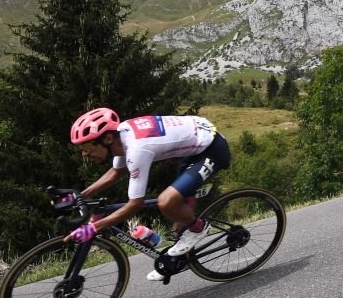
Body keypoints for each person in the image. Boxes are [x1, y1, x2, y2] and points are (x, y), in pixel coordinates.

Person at [65, 108, 231, 281]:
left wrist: (94, 228)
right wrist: (80, 196)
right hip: (195, 146)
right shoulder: (120, 138)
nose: (84, 154)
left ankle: (198, 228)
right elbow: (115, 172)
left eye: (86, 147)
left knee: (167, 202)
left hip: (212, 149)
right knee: (177, 214)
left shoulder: (137, 149)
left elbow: (135, 204)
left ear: (107, 139)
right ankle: (173, 259)